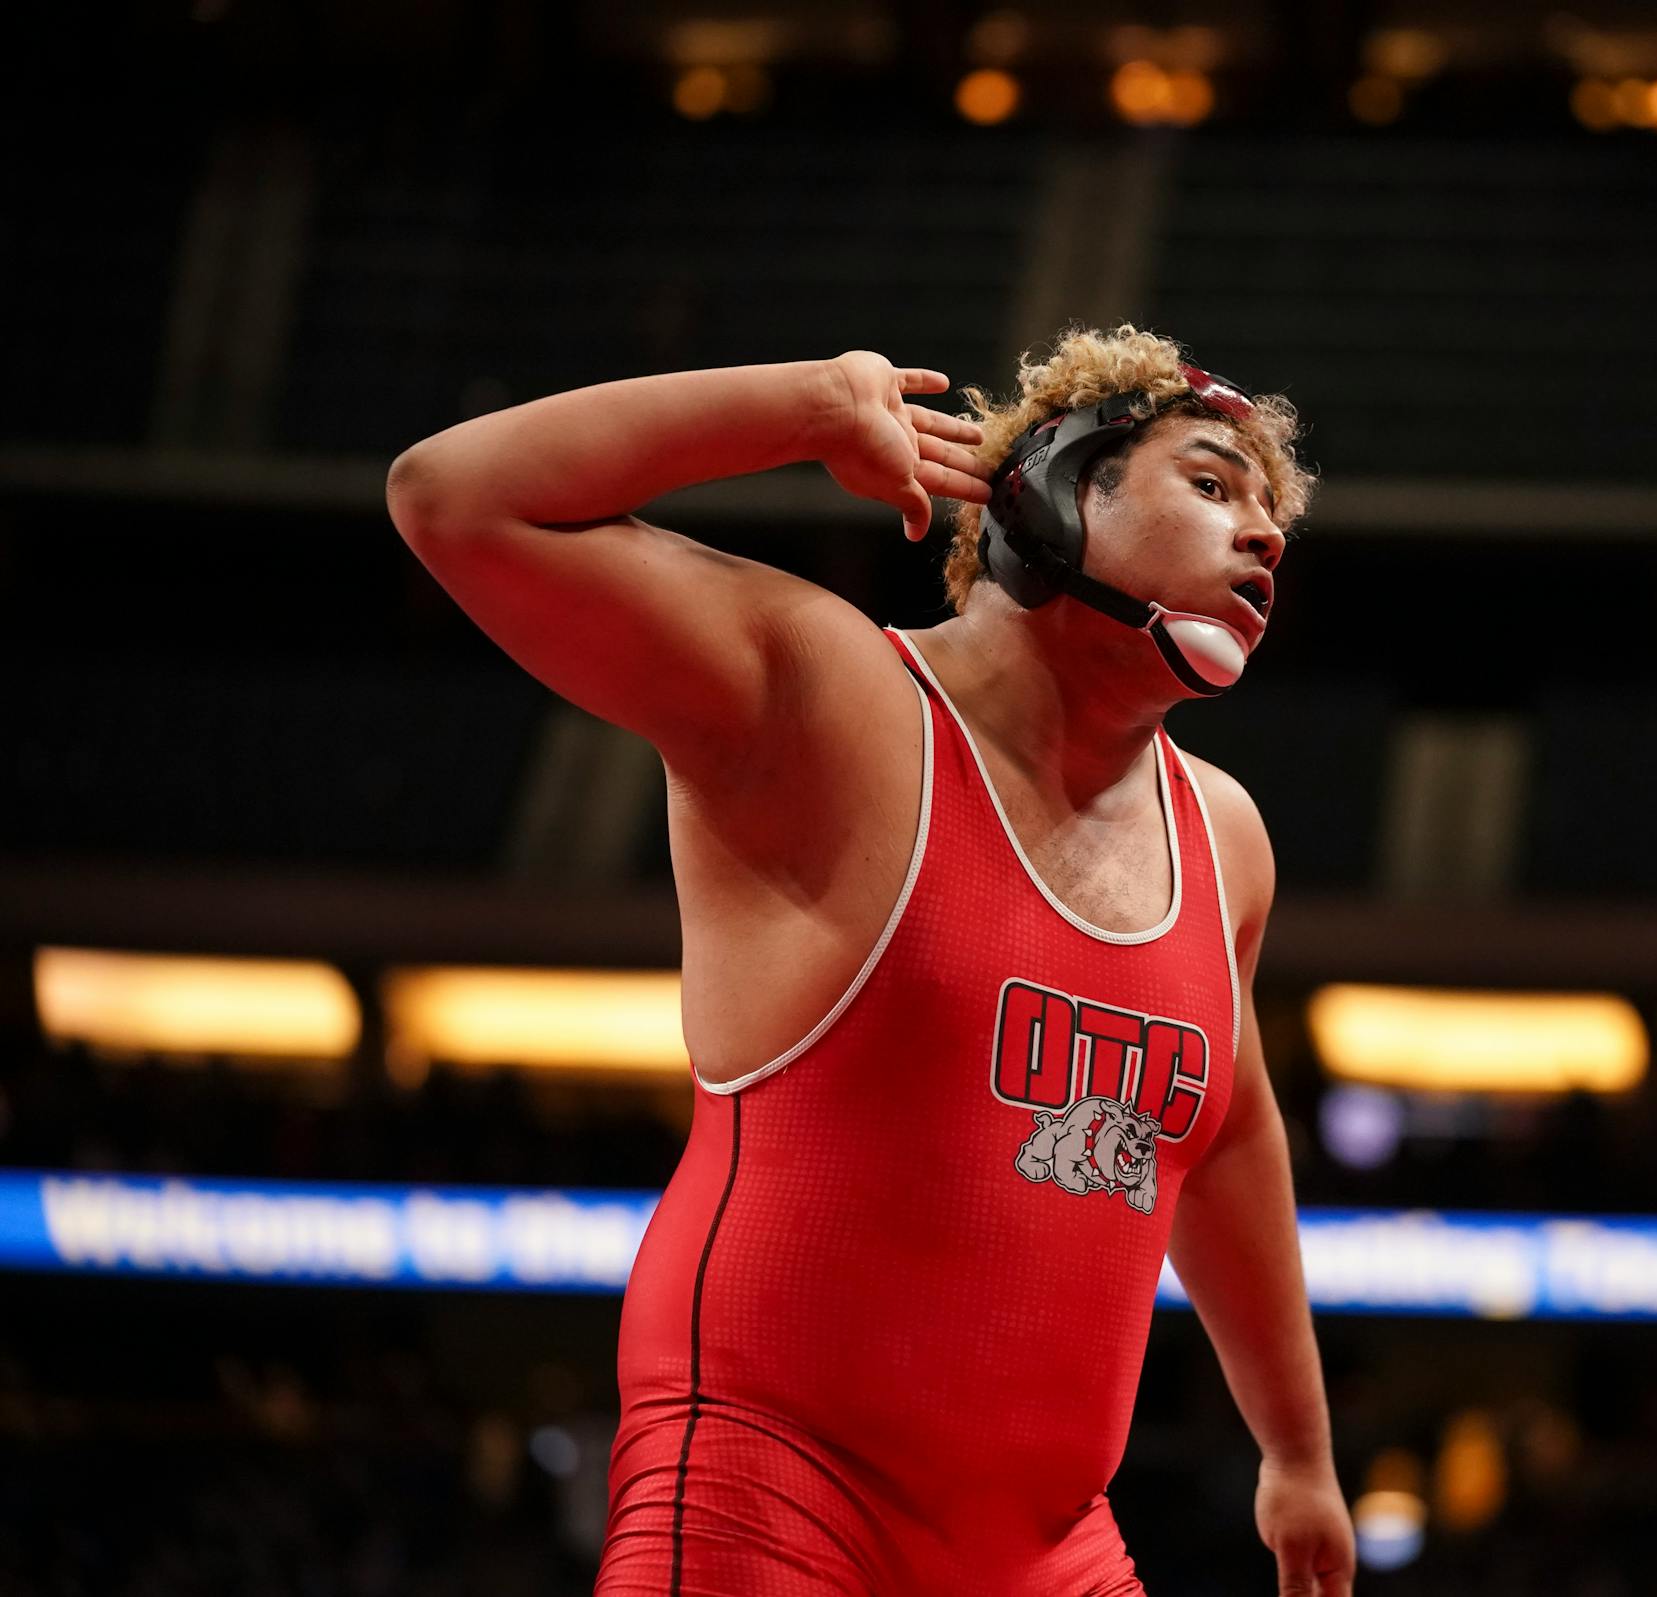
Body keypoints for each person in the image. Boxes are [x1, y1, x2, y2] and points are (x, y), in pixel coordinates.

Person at [385, 324, 1355, 1597]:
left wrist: (1297, 1449)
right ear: (1058, 491)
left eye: (1270, 514)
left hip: (1049, 1542)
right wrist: (799, 409)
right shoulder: (833, 699)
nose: (1265, 535)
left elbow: (1225, 1136)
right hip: (773, 1500)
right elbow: (451, 497)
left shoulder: (1224, 836)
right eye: (1213, 483)